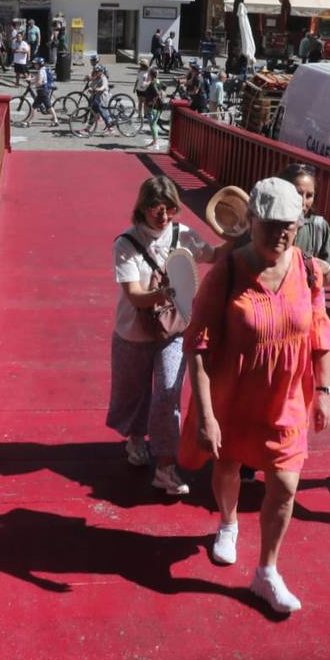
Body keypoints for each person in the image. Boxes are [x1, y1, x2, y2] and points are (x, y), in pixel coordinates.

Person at [179, 177, 330, 614]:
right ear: (251, 221)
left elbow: (320, 330)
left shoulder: (307, 270)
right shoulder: (226, 273)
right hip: (234, 395)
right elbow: (199, 345)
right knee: (228, 467)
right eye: (272, 225)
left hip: (286, 398)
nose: (282, 234)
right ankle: (228, 523)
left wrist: (323, 389)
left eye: (291, 225)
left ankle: (267, 571)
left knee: (284, 485)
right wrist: (207, 415)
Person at [110, 176, 223, 496]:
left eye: (170, 209)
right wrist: (163, 293)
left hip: (174, 331)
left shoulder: (183, 235)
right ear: (142, 208)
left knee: (168, 395)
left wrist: (244, 236)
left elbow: (213, 255)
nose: (164, 216)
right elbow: (133, 295)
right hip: (133, 331)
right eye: (156, 209)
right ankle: (135, 441)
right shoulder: (126, 244)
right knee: (133, 393)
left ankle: (165, 467)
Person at [280, 163, 330, 283]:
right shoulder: (269, 225)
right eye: (298, 193)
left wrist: (325, 269)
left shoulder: (319, 227)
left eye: (309, 196)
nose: (303, 202)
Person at [80, 57, 117, 136]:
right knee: (94, 113)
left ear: (101, 71)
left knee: (102, 113)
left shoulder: (104, 79)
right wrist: (90, 88)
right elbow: (92, 84)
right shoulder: (97, 77)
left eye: (97, 71)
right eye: (95, 71)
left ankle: (111, 129)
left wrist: (97, 89)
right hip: (97, 98)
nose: (96, 73)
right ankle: (88, 129)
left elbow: (103, 87)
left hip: (103, 98)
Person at [21, 57, 58, 128]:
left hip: (42, 91)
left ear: (39, 64)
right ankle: (55, 120)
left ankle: (29, 122)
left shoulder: (41, 71)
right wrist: (30, 79)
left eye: (36, 64)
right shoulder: (43, 69)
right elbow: (37, 78)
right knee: (47, 106)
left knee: (37, 106)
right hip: (44, 90)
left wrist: (33, 85)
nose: (35, 65)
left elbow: (40, 82)